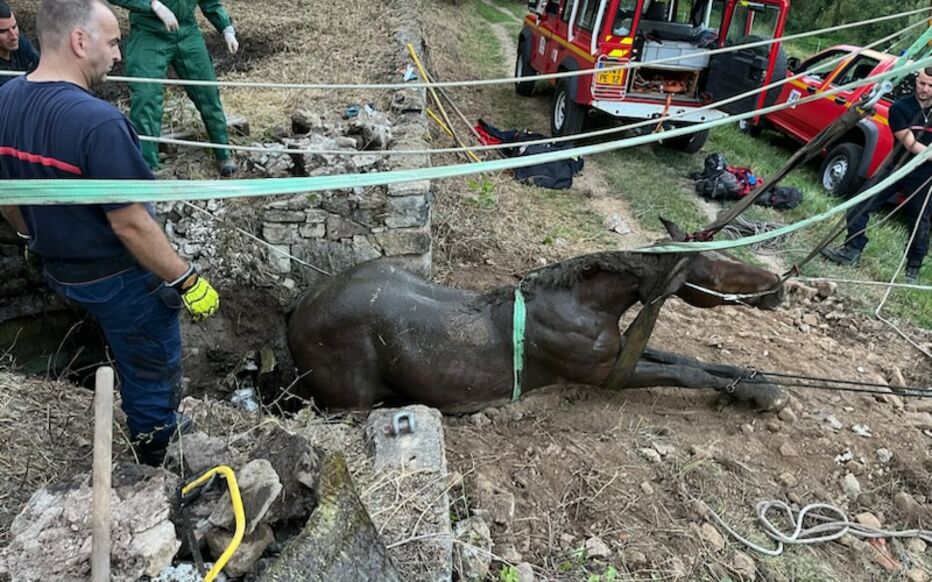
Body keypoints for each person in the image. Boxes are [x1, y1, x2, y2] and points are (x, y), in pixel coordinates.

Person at [0, 0, 220, 466]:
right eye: (114, 42)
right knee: (151, 374)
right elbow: (131, 222)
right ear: (80, 41)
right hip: (118, 279)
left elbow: (8, 197)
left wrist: (29, 238)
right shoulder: (99, 123)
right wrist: (187, 280)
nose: (119, 55)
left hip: (60, 271)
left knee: (117, 342)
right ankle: (159, 455)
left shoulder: (6, 101)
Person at [821, 67, 932, 284]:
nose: (925, 89)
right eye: (922, 84)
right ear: (916, 81)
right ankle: (852, 249)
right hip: (895, 166)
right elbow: (908, 142)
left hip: (923, 174)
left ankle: (912, 268)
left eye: (930, 86)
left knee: (920, 220)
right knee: (860, 203)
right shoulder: (901, 107)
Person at [110, 0, 239, 176]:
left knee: (207, 92)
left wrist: (226, 28)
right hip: (149, 32)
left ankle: (223, 152)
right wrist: (153, 5)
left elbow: (210, 3)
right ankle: (147, 168)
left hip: (187, 31)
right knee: (146, 96)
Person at [0, 0, 39, 86]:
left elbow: (42, 67)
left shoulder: (21, 43)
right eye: (3, 31)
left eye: (14, 27)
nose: (13, 36)